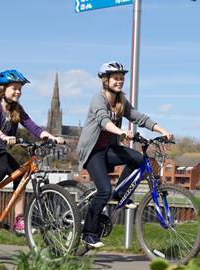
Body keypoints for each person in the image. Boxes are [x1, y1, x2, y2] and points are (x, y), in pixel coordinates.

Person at [76, 61, 174, 248]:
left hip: (109, 149)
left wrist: (161, 130)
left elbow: (139, 117)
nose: (119, 81)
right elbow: (103, 120)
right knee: (104, 189)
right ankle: (88, 233)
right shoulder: (99, 98)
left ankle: (119, 195)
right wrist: (120, 132)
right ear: (105, 80)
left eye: (121, 78)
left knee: (138, 159)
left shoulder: (121, 101)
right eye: (116, 78)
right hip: (92, 151)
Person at [0, 69, 64, 235]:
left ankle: (19, 220)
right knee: (0, 169)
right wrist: (3, 136)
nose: (18, 92)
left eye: (20, 89)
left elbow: (32, 126)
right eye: (14, 88)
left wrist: (50, 137)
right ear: (3, 89)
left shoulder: (17, 110)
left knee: (20, 176)